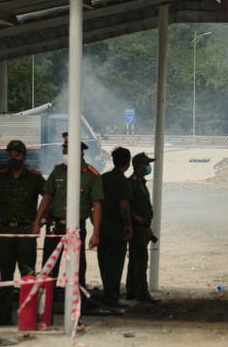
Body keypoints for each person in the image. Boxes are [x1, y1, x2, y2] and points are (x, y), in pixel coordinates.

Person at [31, 133, 104, 328]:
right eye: (63, 149)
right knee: (48, 271)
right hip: (55, 226)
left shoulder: (92, 175)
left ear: (79, 153)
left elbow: (97, 206)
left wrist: (96, 233)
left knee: (77, 273)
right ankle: (45, 317)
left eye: (67, 150)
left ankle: (75, 317)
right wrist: (37, 221)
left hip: (77, 228)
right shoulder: (57, 172)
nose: (63, 153)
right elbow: (46, 198)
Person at [0, 140, 45, 325]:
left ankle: (30, 310)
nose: (13, 158)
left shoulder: (35, 178)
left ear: (24, 157)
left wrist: (40, 222)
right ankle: (4, 312)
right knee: (5, 273)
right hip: (5, 231)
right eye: (10, 155)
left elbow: (50, 196)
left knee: (28, 273)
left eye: (17, 156)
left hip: (26, 232)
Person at [98, 147, 133, 309]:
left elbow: (96, 203)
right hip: (116, 226)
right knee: (115, 262)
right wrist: (128, 224)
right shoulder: (123, 181)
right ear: (128, 162)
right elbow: (124, 206)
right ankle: (111, 296)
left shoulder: (103, 178)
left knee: (103, 260)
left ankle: (106, 292)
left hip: (102, 224)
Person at [125, 152, 160, 303]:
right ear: (139, 167)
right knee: (140, 261)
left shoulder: (140, 183)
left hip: (143, 228)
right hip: (136, 228)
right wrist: (134, 217)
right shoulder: (132, 183)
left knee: (134, 260)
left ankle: (131, 291)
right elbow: (125, 205)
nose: (148, 167)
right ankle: (142, 292)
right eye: (146, 164)